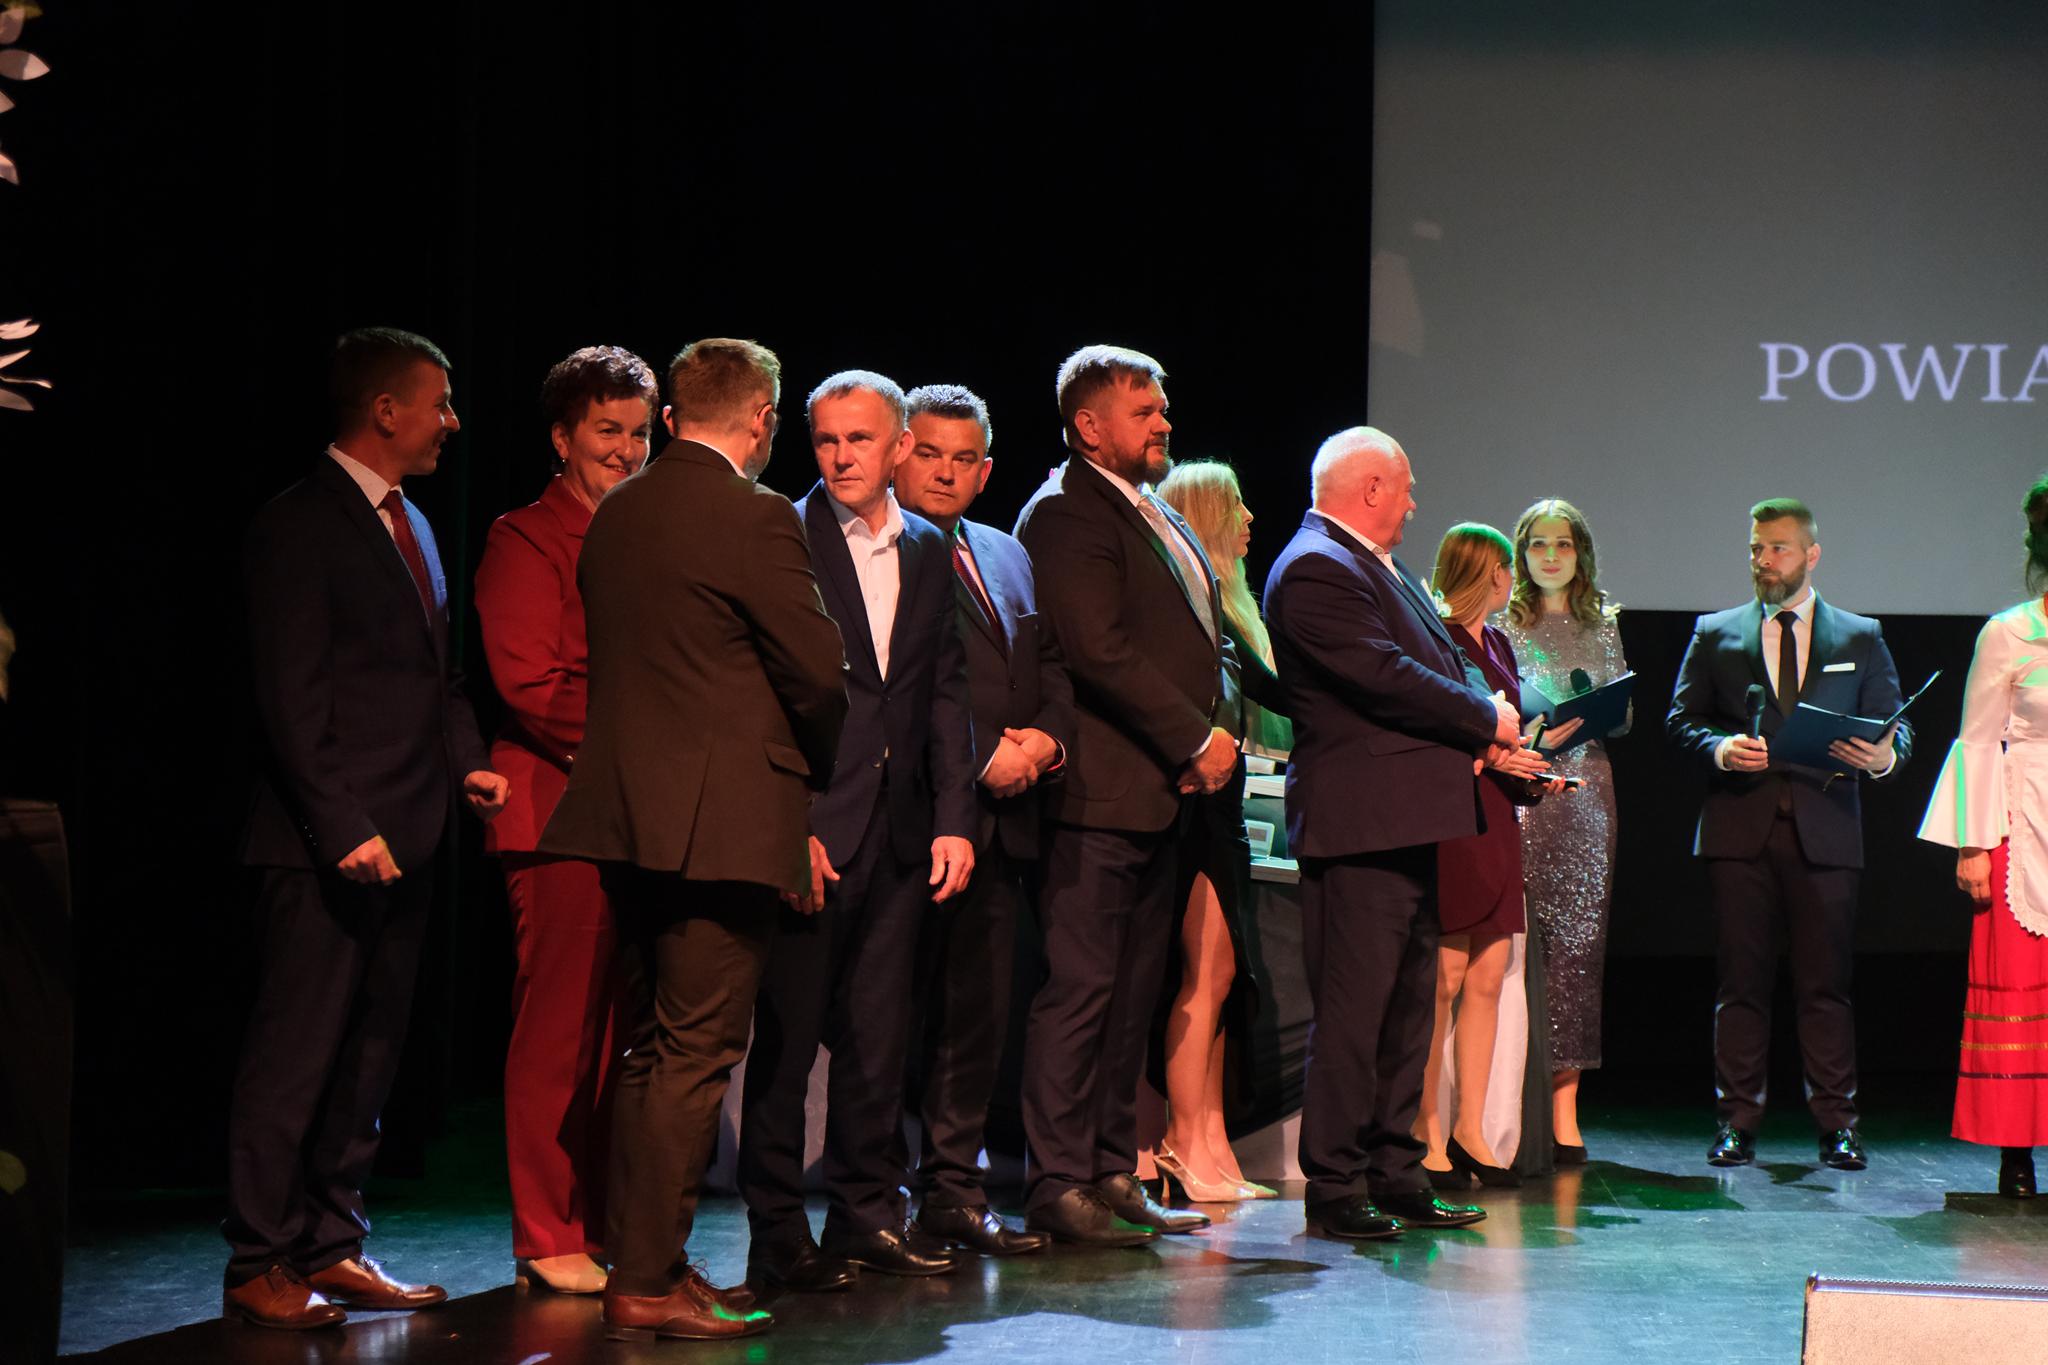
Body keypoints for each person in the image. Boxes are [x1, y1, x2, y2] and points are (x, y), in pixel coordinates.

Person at [539, 336, 848, 1342]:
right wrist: (807, 771)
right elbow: (817, 672)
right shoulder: (755, 514)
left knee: (653, 1047)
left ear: (674, 414)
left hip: (626, 816)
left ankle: (645, 1264)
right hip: (720, 821)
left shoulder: (617, 511)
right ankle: (646, 1279)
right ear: (761, 418)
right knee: (696, 1048)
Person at [224, 327, 510, 1329]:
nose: (452, 421)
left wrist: (469, 762)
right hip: (323, 846)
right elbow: (289, 697)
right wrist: (340, 824)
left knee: (369, 1055)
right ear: (386, 410)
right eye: (439, 402)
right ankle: (259, 1257)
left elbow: (441, 678)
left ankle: (329, 1242)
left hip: (412, 833)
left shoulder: (413, 523)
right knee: (296, 1055)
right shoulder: (298, 524)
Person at [735, 370, 979, 1293]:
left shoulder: (927, 545)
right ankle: (775, 1231)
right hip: (813, 829)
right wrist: (787, 823)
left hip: (902, 830)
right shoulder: (782, 532)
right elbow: (757, 689)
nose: (840, 456)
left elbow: (943, 690)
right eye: (826, 439)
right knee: (790, 1040)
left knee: (879, 1039)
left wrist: (954, 820)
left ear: (899, 447)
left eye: (859, 439)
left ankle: (866, 1215)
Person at [1263, 427, 1530, 1241]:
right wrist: (1483, 716)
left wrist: (1485, 732)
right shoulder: (1315, 567)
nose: (1413, 504)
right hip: (1360, 825)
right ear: (1370, 487)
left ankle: (1395, 1170)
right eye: (1405, 488)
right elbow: (1382, 674)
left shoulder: (1376, 562)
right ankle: (1336, 1183)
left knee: (1407, 1011)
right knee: (1355, 1013)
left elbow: (1437, 663)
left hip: (1409, 818)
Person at [1013, 344, 1228, 1245]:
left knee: (1131, 992)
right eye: (1144, 412)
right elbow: (1096, 649)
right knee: (1082, 991)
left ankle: (1110, 1168)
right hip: (1098, 797)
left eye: (1162, 408)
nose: (1163, 423)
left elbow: (1197, 633)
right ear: (1089, 426)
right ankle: (1058, 1181)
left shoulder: (1150, 508)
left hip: (1155, 796)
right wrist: (1193, 737)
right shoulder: (1067, 511)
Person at [474, 345, 655, 1294]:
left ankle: (600, 1222)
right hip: (557, 815)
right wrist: (651, 747)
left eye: (638, 432)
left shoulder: (646, 533)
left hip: (636, 815)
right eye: (606, 431)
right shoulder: (525, 537)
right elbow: (531, 684)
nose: (624, 450)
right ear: (562, 437)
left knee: (620, 1033)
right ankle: (548, 1234)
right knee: (558, 1033)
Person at [1668, 497, 1911, 1171]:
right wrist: (1720, 749)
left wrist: (1881, 757)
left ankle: (1837, 1125)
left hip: (1826, 831)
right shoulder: (1716, 632)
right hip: (1739, 831)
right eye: (1755, 548)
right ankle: (1736, 1122)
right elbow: (1680, 720)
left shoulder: (1859, 636)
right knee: (1740, 984)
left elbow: (1897, 726)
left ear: (1811, 554)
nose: (1763, 560)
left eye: (1777, 548)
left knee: (1825, 986)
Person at [892, 382, 1070, 1255]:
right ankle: (874, 1194)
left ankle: (953, 1192)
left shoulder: (1005, 552)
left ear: (986, 470)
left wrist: (1046, 741)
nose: (945, 472)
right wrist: (978, 753)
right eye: (928, 453)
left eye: (963, 459)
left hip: (1002, 830)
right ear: (899, 452)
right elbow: (890, 686)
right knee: (889, 1021)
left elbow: (1051, 663)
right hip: (908, 822)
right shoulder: (874, 547)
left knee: (976, 1019)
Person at [1151, 458, 1290, 1201]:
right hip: (1197, 807)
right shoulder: (1198, 609)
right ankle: (1183, 1142)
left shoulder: (1231, 606)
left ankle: (1211, 1143)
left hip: (1227, 805)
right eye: (1236, 505)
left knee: (1224, 979)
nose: (1249, 519)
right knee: (1204, 977)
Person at [1417, 523, 1562, 1190]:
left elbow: (1513, 728)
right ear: (1492, 573)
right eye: (1507, 568)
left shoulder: (1497, 641)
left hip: (1498, 816)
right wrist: (1495, 754)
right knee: (1444, 978)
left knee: (1487, 975)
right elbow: (1435, 727)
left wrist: (1535, 763)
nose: (1513, 581)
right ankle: (1426, 1134)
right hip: (1455, 817)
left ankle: (1469, 1129)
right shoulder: (1436, 638)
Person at [1917, 474, 2048, 1200]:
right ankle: (2017, 1148)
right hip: (2022, 822)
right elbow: (1976, 740)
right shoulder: (2008, 633)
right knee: (2022, 980)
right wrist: (1972, 842)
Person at [1500, 498, 1629, 1165]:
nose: (1550, 556)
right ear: (1521, 553)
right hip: (1522, 789)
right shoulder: (1501, 622)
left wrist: (1594, 711)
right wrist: (1531, 735)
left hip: (1586, 795)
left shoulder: (1601, 621)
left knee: (1579, 947)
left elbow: (1623, 714)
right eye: (1538, 544)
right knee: (1516, 945)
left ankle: (1564, 1108)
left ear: (1581, 554)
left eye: (1563, 544)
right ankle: (1506, 1103)